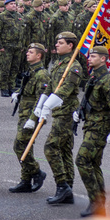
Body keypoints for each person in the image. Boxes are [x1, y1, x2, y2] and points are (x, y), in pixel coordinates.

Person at [75, 44, 110, 217]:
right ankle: (100, 202)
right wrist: (79, 112)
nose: (90, 58)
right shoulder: (93, 77)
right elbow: (88, 98)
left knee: (81, 160)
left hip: (100, 127)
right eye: (90, 56)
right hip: (90, 125)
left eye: (94, 56)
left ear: (103, 59)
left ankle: (96, 201)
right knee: (93, 164)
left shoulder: (108, 81)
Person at [39, 31, 84, 206]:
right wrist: (40, 106)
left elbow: (65, 90)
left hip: (66, 113)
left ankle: (63, 185)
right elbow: (50, 86)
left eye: (60, 42)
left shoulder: (74, 67)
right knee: (64, 150)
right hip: (58, 112)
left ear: (70, 46)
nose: (56, 45)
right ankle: (67, 190)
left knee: (50, 148)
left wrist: (48, 106)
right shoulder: (58, 64)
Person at [10, 43, 49, 193]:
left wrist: (33, 119)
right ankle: (25, 181)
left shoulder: (42, 74)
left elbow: (42, 99)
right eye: (27, 51)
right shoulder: (32, 71)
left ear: (39, 56)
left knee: (19, 145)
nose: (27, 53)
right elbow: (27, 88)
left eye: (31, 52)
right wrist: (18, 92)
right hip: (24, 114)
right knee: (26, 147)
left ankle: (37, 172)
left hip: (32, 116)